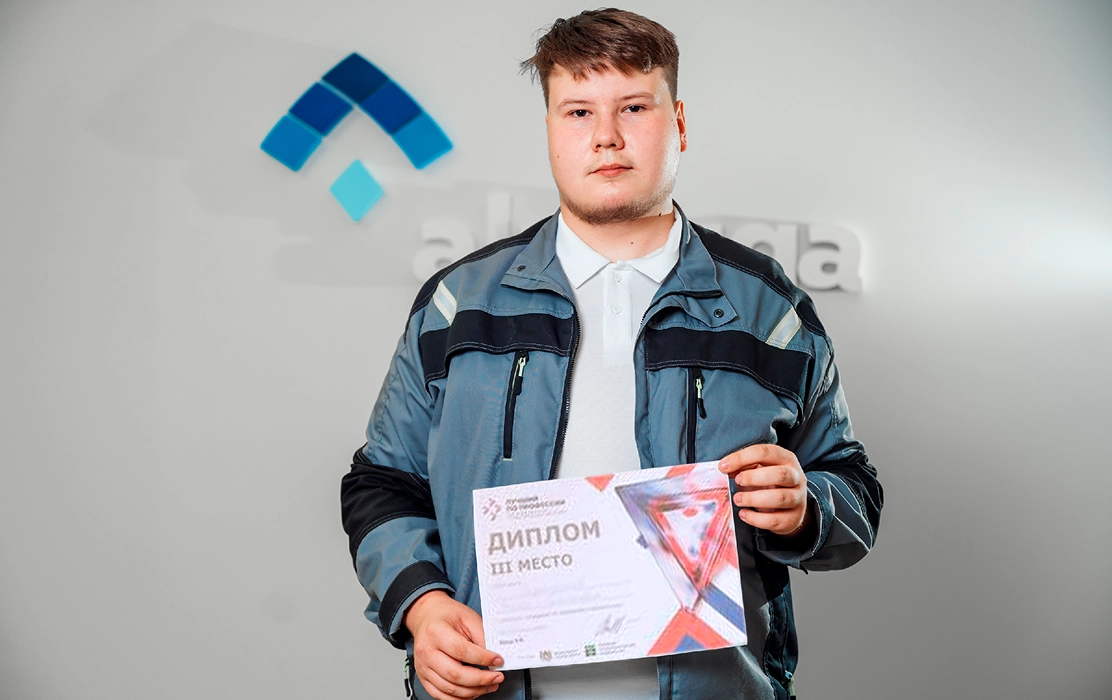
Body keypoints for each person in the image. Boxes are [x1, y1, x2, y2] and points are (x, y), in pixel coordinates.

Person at [340, 8, 882, 700]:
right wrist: (421, 604)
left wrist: (808, 506)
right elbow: (382, 483)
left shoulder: (769, 311)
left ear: (678, 123)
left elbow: (853, 484)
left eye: (633, 106)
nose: (606, 136)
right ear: (549, 129)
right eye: (578, 112)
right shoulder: (457, 305)